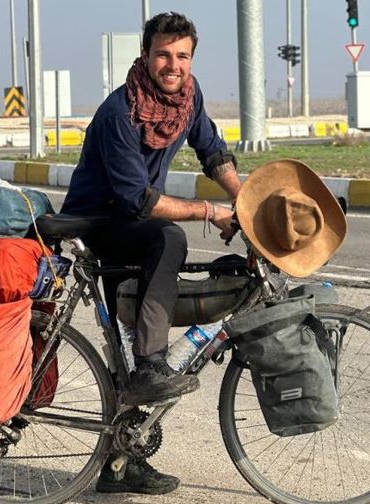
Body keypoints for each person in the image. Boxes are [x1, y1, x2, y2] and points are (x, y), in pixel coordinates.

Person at [60, 12, 241, 495]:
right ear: (145, 56)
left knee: (138, 327)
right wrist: (210, 211)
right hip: (100, 224)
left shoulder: (187, 98)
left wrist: (245, 200)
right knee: (169, 240)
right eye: (163, 54)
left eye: (182, 56)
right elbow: (137, 200)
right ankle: (150, 366)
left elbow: (213, 151)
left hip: (133, 224)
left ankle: (121, 464)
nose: (173, 65)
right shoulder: (120, 114)